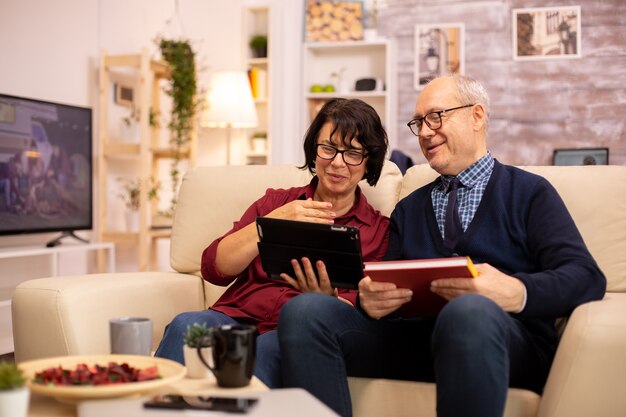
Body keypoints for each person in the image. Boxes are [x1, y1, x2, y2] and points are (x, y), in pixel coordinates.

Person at [278, 75, 607, 417]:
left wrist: (517, 291)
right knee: (305, 311)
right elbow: (381, 286)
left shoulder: (529, 192)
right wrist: (369, 300)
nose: (423, 132)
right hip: (416, 343)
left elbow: (586, 277)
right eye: (418, 123)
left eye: (435, 117)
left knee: (469, 311)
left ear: (477, 116)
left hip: (502, 341)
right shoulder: (410, 208)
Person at [154, 98, 391, 388]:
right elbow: (215, 269)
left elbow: (362, 315)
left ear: (369, 162)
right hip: (236, 316)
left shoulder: (378, 231)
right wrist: (273, 221)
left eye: (353, 152)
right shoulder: (276, 202)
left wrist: (326, 299)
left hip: (294, 331)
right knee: (185, 325)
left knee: (269, 347)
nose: (337, 162)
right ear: (314, 152)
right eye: (328, 148)